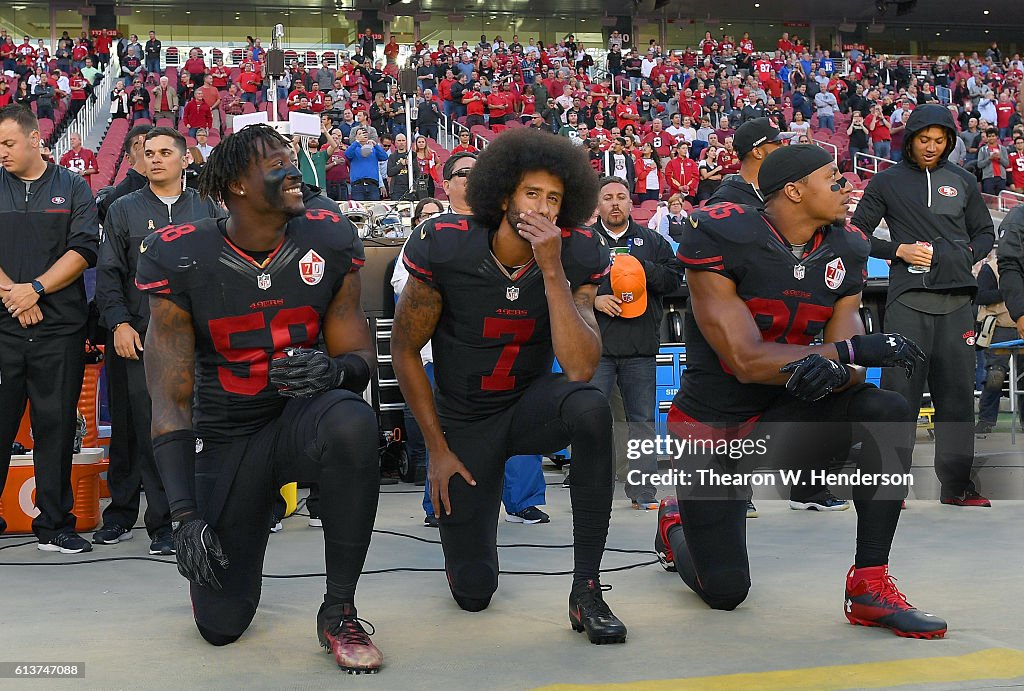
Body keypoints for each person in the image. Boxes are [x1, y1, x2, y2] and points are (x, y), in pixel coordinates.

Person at [657, 144, 947, 639]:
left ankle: (869, 585)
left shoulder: (847, 246)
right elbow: (747, 360)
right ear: (793, 191)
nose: (847, 186)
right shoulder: (723, 233)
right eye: (833, 179)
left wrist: (839, 368)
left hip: (787, 416)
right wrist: (844, 355)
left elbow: (849, 358)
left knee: (886, 408)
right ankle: (674, 522)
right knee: (725, 592)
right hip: (719, 427)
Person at [135, 124, 384, 671]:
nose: (294, 170)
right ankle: (244, 520)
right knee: (220, 625)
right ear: (238, 187)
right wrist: (182, 514)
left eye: (291, 158)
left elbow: (359, 355)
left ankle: (339, 608)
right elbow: (169, 398)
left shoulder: (329, 237)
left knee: (353, 425)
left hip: (304, 418)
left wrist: (333, 369)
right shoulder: (181, 255)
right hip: (229, 435)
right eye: (276, 163)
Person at [391, 128, 626, 644]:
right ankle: (473, 547)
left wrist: (550, 271)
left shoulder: (576, 252)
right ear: (503, 195)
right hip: (466, 421)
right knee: (473, 594)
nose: (542, 208)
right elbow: (404, 350)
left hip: (528, 405)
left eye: (554, 199)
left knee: (588, 406)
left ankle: (586, 589)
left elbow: (582, 366)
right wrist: (437, 450)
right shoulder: (446, 243)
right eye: (531, 193)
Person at [851, 105, 995, 507]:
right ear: (910, 139)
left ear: (949, 141)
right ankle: (890, 487)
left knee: (957, 397)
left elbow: (984, 233)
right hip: (907, 302)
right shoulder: (886, 181)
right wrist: (897, 249)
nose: (931, 147)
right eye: (923, 139)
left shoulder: (963, 180)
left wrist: (965, 254)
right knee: (900, 396)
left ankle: (957, 486)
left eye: (939, 140)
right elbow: (856, 234)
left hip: (957, 302)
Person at [94, 127, 222, 553]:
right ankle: (151, 520)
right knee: (145, 429)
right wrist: (118, 324)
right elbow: (109, 274)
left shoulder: (206, 209)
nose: (155, 159)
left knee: (196, 426)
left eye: (166, 152)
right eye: (149, 152)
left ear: (186, 160)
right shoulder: (122, 210)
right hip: (142, 338)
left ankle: (189, 515)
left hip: (199, 340)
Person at [0, 105, 99, 549]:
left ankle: (55, 524)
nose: (1, 153)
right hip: (4, 326)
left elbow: (82, 251)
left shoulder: (73, 187)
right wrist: (14, 295)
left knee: (55, 426)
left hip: (59, 330)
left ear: (35, 138)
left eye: (8, 143)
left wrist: (35, 289)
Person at [590, 176, 682, 510]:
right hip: (596, 348)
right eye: (608, 197)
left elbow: (674, 278)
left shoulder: (653, 241)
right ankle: (593, 490)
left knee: (641, 421)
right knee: (592, 420)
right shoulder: (586, 242)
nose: (615, 203)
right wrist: (596, 300)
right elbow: (565, 284)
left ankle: (643, 492)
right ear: (597, 205)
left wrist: (638, 271)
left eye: (621, 197)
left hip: (640, 348)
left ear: (631, 203)